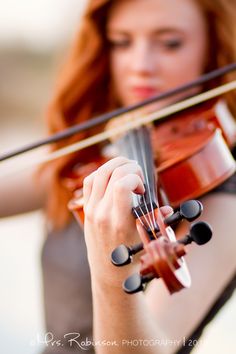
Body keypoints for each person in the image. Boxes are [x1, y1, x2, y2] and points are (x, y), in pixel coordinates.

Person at [1, 0, 235, 353]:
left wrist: (113, 270)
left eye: (170, 43)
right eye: (121, 42)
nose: (140, 65)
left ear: (212, 50)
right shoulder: (97, 158)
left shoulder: (223, 193)